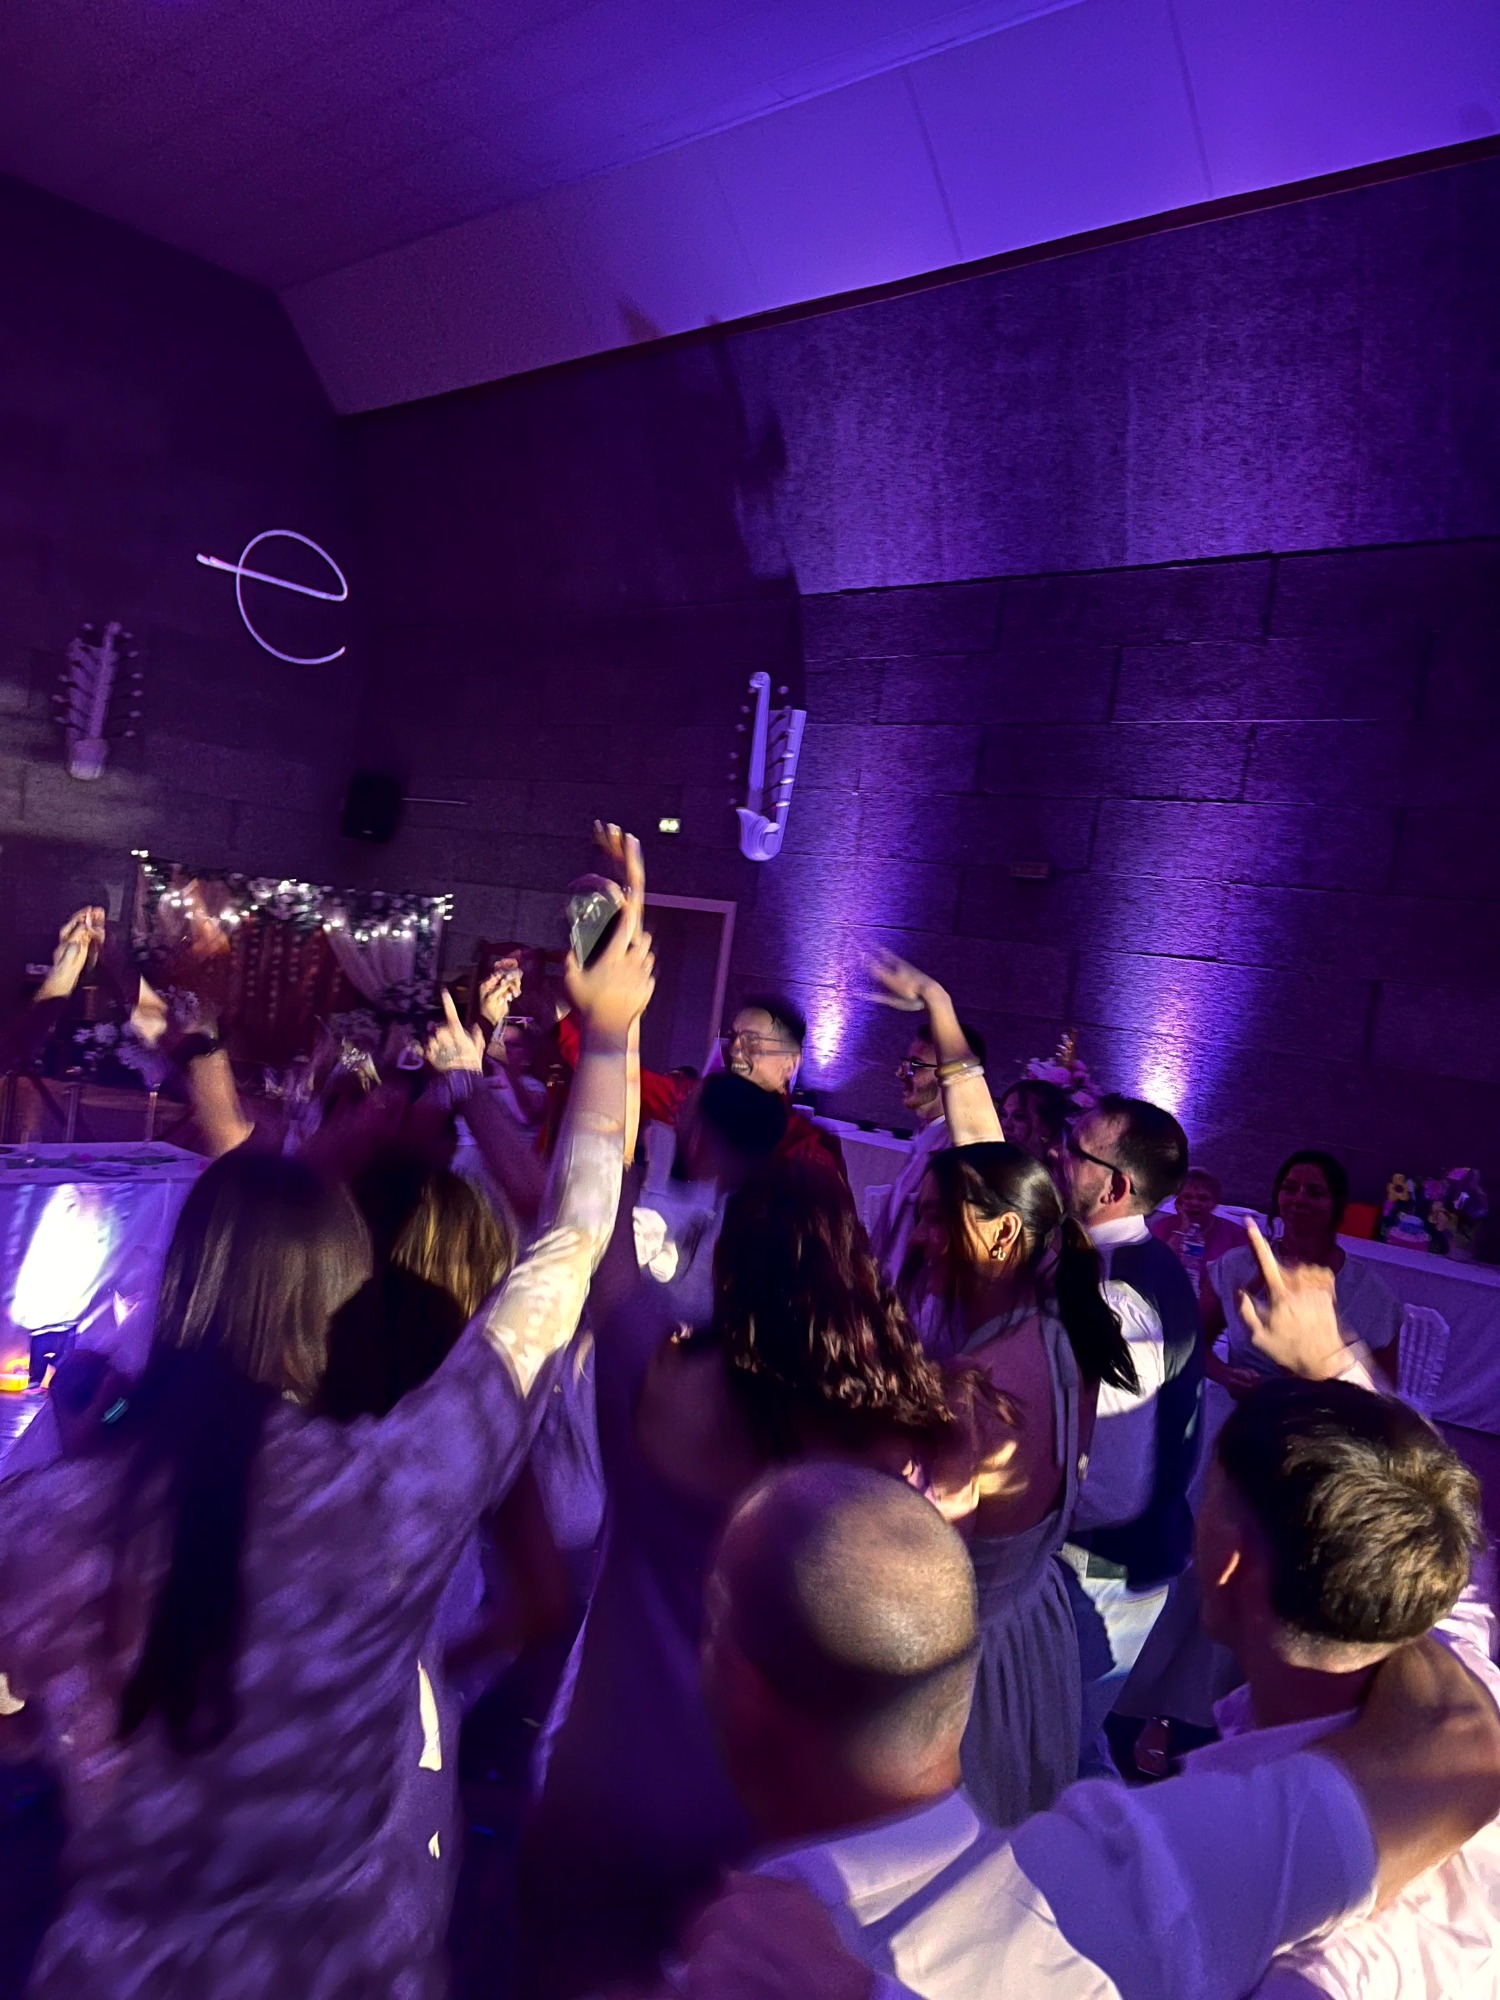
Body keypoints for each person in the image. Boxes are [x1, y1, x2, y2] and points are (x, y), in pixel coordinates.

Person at [0, 833, 656, 1999]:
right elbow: (567, 1248)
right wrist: (609, 1037)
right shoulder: (394, 1488)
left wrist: (68, 1721)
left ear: (179, 1290)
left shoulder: (46, 1519)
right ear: (333, 1303)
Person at [673, 1457, 1500, 2000]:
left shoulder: (742, 1970)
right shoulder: (1156, 1865)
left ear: (740, 1687)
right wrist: (1381, 1546)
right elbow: (1463, 1746)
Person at [516, 1153, 962, 1998]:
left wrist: (617, 1144)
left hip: (605, 1776)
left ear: (727, 1267)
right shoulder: (879, 1438)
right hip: (757, 1805)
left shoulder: (655, 1373)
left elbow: (604, 1258)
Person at [1188, 1220, 1499, 1997]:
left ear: (1229, 1564)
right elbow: (1443, 1551)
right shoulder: (1466, 1681)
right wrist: (1333, 1363)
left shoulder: (1284, 1933)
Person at [869, 951, 1137, 1824]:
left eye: (932, 1224)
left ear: (996, 1238)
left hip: (965, 1673)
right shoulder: (1065, 1330)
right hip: (1031, 1634)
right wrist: (940, 1005)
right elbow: (984, 1145)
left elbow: (922, 1581)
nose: (921, 1244)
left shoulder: (970, 1395)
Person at [1054, 1093, 1203, 1740]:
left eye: (1074, 1149)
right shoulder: (1132, 1262)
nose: (1056, 1154)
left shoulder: (1116, 1294)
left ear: (1115, 1187)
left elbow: (1113, 1487)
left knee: (1055, 1745)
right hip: (1113, 1557)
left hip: (1102, 1567)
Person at [1205, 1151, 1402, 1398]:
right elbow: (1193, 1342)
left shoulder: (1370, 1293)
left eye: (1315, 1193)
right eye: (1290, 1188)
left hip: (1327, 1418)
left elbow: (1386, 1395)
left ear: (1336, 1205)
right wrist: (1225, 1375)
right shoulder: (1236, 1265)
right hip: (1245, 1411)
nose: (1299, 1199)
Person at [869, 1019, 989, 1289]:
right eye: (905, 1062)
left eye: (916, 1065)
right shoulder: (926, 1136)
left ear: (951, 1076)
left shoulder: (957, 1149)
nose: (902, 1073)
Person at [721, 995, 848, 1183]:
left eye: (752, 1041)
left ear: (790, 1064)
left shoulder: (808, 1153)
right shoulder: (710, 1117)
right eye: (732, 1038)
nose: (734, 1050)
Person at [1149, 1166, 1248, 1284]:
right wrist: (1183, 1228)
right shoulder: (1163, 1226)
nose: (1194, 1203)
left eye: (1203, 1198)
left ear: (1214, 1202)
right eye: (1187, 1197)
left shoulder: (1235, 1233)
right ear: (1178, 1201)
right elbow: (1157, 1265)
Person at [998, 1076, 1072, 1160]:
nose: (1006, 1126)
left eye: (1019, 1116)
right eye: (1003, 1115)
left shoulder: (1061, 1165)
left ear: (1047, 1126)